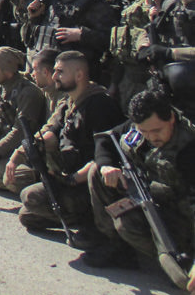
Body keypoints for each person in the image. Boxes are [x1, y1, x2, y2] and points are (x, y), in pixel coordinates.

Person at [83, 90, 195, 273]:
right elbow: (106, 137)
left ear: (171, 118)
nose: (150, 137)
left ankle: (176, 259)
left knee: (127, 224)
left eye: (157, 130)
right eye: (144, 131)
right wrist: (106, 166)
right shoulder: (139, 125)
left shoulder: (188, 150)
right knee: (96, 171)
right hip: (149, 197)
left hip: (182, 218)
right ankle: (117, 247)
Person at [16, 51, 125, 237]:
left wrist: (72, 180)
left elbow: (105, 153)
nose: (55, 76)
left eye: (60, 72)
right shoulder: (69, 103)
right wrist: (38, 146)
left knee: (31, 197)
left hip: (89, 183)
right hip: (68, 175)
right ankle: (78, 220)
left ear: (79, 75)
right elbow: (53, 130)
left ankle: (97, 228)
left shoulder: (99, 104)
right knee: (27, 216)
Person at [0, 47, 45, 193]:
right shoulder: (0, 85)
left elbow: (19, 133)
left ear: (7, 68)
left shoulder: (28, 92)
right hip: (3, 143)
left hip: (22, 152)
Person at [140, 0, 195, 117]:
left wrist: (170, 53)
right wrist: (144, 46)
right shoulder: (171, 4)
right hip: (172, 92)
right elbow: (151, 29)